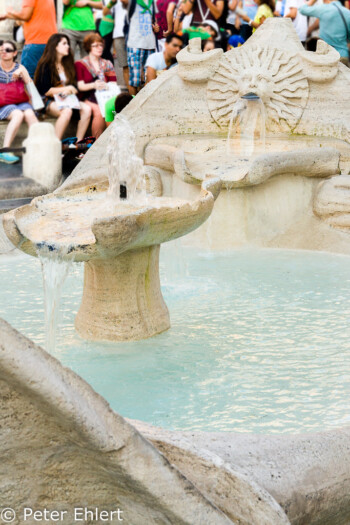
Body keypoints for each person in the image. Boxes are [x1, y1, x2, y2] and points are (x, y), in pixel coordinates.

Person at [34, 33, 92, 141]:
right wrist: (66, 89)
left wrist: (71, 90)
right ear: (55, 46)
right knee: (67, 111)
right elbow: (45, 91)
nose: (68, 46)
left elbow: (74, 87)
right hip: (49, 100)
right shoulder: (45, 65)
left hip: (68, 99)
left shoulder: (68, 64)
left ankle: (77, 144)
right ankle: (54, 145)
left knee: (87, 109)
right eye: (64, 43)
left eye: (68, 44)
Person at [0, 40, 38, 164]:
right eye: (1, 50)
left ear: (15, 53)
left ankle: (40, 147)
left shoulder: (20, 67)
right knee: (18, 114)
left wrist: (24, 75)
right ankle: (5, 151)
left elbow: (33, 91)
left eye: (8, 50)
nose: (4, 52)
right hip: (3, 103)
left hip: (20, 101)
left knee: (29, 114)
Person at [75, 32, 117, 137]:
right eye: (95, 46)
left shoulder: (107, 63)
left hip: (105, 96)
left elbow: (113, 83)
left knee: (111, 108)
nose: (99, 48)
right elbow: (80, 86)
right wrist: (94, 85)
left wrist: (107, 85)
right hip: (88, 97)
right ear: (89, 47)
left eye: (101, 45)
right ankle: (97, 143)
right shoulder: (80, 64)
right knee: (99, 111)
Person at [2, 0, 57, 79]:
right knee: (47, 79)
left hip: (36, 42)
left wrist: (10, 13)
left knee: (26, 78)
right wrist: (8, 15)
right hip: (50, 42)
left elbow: (25, 16)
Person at [123, 0, 159, 95]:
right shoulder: (132, 2)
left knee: (150, 79)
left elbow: (153, 21)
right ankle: (132, 107)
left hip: (150, 44)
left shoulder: (152, 2)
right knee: (134, 80)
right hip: (135, 44)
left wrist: (156, 27)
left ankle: (146, 105)